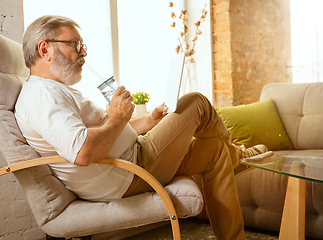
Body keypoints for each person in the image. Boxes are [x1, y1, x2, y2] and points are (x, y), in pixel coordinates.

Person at [15, 15, 272, 240]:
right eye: (76, 44)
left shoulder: (57, 90)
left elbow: (104, 133)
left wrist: (147, 121)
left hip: (136, 158)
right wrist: (117, 117)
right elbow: (83, 152)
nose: (83, 52)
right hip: (131, 172)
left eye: (83, 46)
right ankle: (237, 154)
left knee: (214, 150)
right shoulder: (42, 96)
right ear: (44, 49)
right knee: (196, 103)